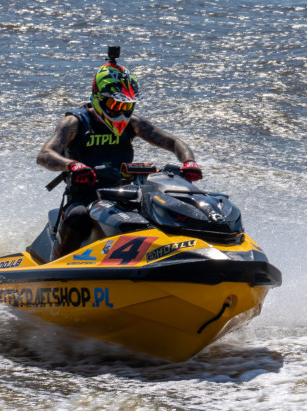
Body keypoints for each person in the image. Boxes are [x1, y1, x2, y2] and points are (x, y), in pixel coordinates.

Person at [37, 49, 203, 258]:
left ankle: (179, 256)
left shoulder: (133, 124)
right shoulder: (75, 123)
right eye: (116, 104)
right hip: (85, 195)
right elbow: (45, 154)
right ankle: (56, 268)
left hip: (125, 193)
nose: (122, 111)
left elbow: (174, 142)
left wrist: (189, 162)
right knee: (77, 216)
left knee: (163, 208)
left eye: (127, 105)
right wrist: (73, 166)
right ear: (99, 98)